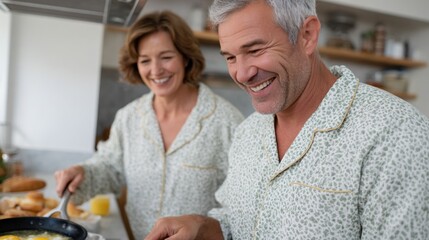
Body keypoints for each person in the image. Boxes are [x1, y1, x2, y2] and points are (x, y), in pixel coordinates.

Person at [145, 0, 429, 239]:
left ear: (306, 35)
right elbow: (238, 223)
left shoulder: (396, 134)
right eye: (231, 57)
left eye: (255, 50)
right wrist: (203, 227)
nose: (242, 74)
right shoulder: (248, 132)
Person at [54, 10, 244, 239]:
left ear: (185, 57)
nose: (155, 70)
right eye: (145, 60)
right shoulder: (129, 118)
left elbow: (242, 206)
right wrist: (83, 173)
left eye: (166, 57)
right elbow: (110, 168)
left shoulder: (228, 123)